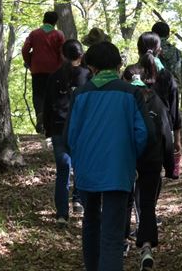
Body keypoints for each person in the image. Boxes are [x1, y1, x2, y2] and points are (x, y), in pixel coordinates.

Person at [65, 41, 155, 271]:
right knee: (113, 233)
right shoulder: (131, 93)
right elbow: (144, 133)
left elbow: (69, 136)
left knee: (91, 221)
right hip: (118, 167)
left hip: (87, 168)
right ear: (117, 65)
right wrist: (131, 156)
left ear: (91, 67)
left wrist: (79, 157)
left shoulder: (80, 95)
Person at [122, 64, 175, 270]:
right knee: (147, 205)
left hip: (126, 160)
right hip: (152, 161)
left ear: (125, 80)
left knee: (125, 202)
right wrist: (170, 167)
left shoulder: (122, 101)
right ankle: (146, 248)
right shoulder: (157, 102)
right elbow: (167, 137)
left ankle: (121, 243)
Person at [43, 40, 90, 225]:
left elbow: (47, 105)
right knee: (81, 167)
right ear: (81, 55)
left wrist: (47, 130)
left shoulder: (54, 76)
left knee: (62, 170)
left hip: (58, 127)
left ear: (63, 55)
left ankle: (62, 214)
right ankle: (79, 202)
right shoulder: (88, 77)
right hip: (82, 129)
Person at [137, 32, 182, 155]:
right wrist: (177, 140)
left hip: (134, 134)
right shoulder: (167, 76)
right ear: (159, 50)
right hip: (161, 132)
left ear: (138, 50)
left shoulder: (130, 73)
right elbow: (174, 109)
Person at [21, 11, 65, 133]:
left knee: (38, 95)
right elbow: (62, 53)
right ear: (55, 22)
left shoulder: (34, 34)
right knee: (53, 95)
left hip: (37, 70)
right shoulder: (59, 35)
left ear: (43, 20)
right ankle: (50, 122)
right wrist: (61, 66)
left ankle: (40, 115)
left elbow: (25, 49)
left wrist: (30, 62)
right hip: (54, 71)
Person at [151, 22, 182, 91]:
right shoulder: (177, 52)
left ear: (152, 35)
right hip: (173, 92)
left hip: (152, 93)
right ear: (168, 36)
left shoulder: (149, 51)